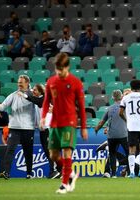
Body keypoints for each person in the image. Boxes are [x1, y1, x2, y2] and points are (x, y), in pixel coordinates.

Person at [40, 52, 88, 194]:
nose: (59, 72)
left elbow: (82, 105)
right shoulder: (51, 82)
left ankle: (64, 184)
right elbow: (46, 101)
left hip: (69, 121)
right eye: (57, 69)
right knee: (53, 155)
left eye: (62, 69)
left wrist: (83, 127)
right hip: (54, 122)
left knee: (67, 152)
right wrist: (43, 117)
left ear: (67, 67)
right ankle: (71, 175)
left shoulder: (75, 82)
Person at [0, 75, 36, 180]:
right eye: (18, 82)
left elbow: (39, 104)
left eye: (21, 82)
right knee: (10, 149)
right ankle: (6, 172)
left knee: (28, 152)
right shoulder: (13, 95)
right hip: (14, 128)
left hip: (28, 128)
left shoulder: (32, 94)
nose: (19, 84)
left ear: (27, 83)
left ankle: (29, 173)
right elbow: (3, 106)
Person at [21, 84, 61, 179]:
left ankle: (53, 171)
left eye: (35, 90)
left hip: (49, 129)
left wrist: (25, 96)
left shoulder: (44, 99)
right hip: (43, 130)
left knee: (49, 150)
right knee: (48, 151)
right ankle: (59, 170)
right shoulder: (39, 98)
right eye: (33, 90)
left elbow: (38, 102)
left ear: (40, 91)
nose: (33, 91)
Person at [95, 90, 129, 178]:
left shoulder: (109, 108)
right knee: (129, 153)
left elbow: (101, 122)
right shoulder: (125, 107)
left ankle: (113, 174)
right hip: (123, 134)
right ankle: (130, 172)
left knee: (112, 154)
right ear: (121, 97)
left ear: (113, 98)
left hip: (112, 135)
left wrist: (96, 129)